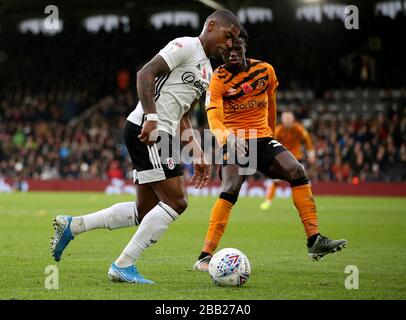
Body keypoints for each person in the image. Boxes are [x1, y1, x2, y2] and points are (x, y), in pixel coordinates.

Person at [51, 9, 241, 284]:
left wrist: (198, 152)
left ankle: (74, 225)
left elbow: (183, 116)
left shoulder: (208, 72)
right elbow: (145, 73)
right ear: (211, 26)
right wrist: (151, 119)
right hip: (150, 131)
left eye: (234, 41)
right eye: (228, 36)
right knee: (176, 201)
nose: (230, 44)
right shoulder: (186, 45)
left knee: (145, 209)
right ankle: (123, 265)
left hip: (159, 131)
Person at [193, 28, 347, 272]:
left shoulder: (265, 71)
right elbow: (214, 117)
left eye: (237, 48)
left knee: (296, 170)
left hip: (262, 138)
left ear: (245, 47)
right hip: (234, 140)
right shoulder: (218, 79)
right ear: (221, 53)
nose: (232, 53)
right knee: (231, 187)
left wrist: (271, 136)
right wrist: (227, 137)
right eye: (227, 50)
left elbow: (271, 103)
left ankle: (314, 240)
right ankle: (204, 255)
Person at [260, 111, 316, 210]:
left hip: (297, 158)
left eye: (289, 118)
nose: (287, 120)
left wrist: (311, 153)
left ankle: (302, 202)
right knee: (276, 180)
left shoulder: (299, 128)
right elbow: (270, 142)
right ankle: (268, 201)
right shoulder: (279, 130)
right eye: (285, 118)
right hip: (282, 158)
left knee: (300, 180)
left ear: (293, 119)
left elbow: (308, 140)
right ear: (282, 119)